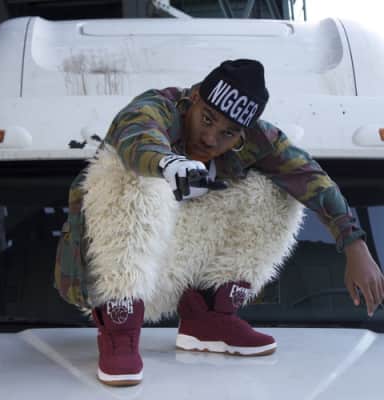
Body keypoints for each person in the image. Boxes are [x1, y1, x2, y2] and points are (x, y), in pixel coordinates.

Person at [54, 59, 384, 387]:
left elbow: (310, 176)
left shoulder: (257, 139)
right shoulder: (158, 107)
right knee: (125, 171)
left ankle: (209, 313)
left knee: (276, 187)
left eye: (227, 133)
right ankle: (119, 326)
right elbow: (137, 133)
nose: (211, 139)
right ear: (195, 98)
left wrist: (354, 244)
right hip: (108, 269)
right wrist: (166, 163)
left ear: (242, 134)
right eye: (207, 120)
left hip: (184, 269)